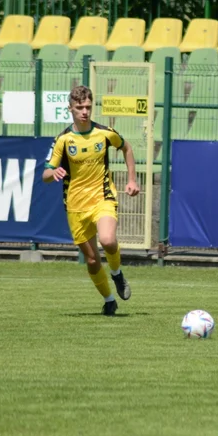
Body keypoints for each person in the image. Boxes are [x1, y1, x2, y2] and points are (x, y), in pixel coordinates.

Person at [43, 85, 140, 316]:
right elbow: (45, 173)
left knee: (107, 239)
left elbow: (126, 147)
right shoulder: (63, 140)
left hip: (102, 197)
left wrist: (132, 180)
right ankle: (109, 300)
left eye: (88, 107)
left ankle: (117, 274)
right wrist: (53, 173)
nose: (85, 112)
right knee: (92, 259)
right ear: (70, 109)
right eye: (80, 108)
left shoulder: (105, 133)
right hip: (75, 205)